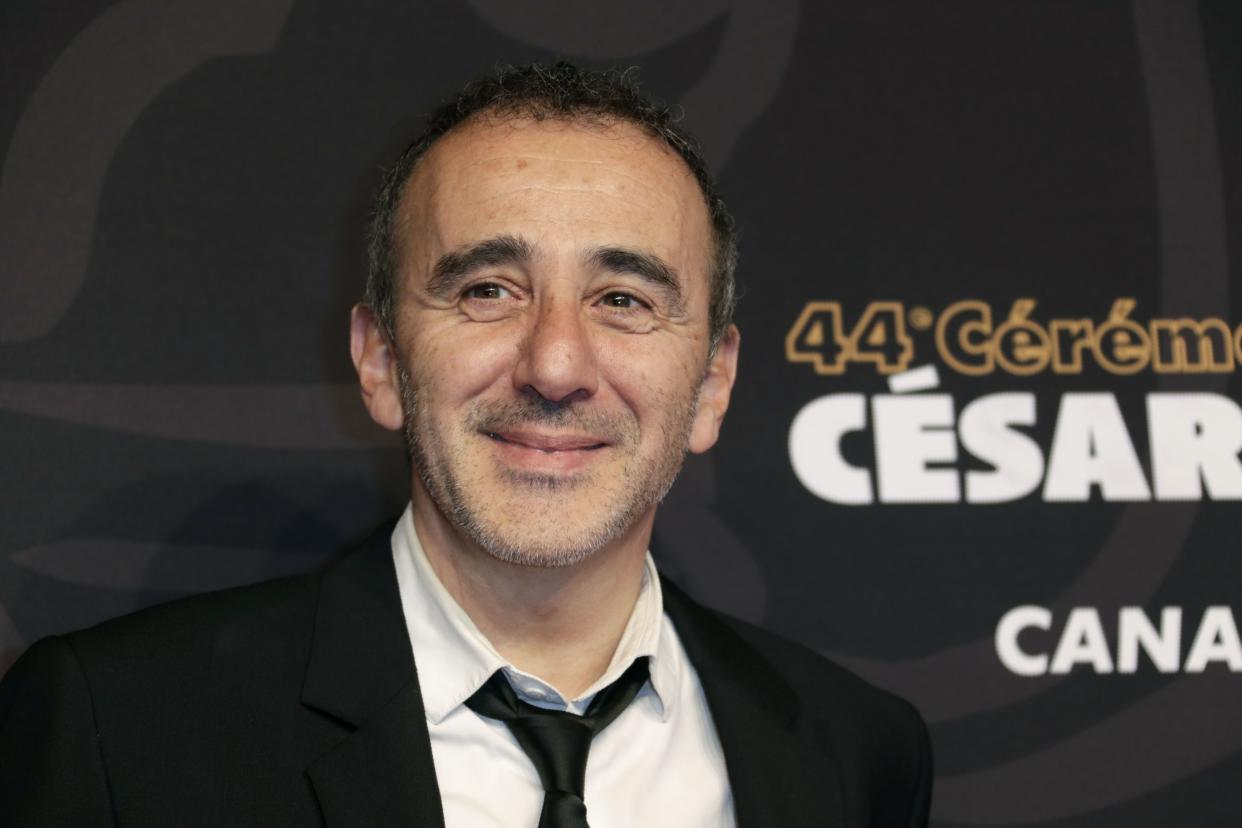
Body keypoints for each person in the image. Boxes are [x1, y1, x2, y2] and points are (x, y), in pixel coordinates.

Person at [0, 62, 932, 827]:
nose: (556, 364)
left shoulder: (856, 756)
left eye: (624, 299)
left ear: (713, 384)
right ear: (378, 359)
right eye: (488, 289)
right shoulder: (119, 732)